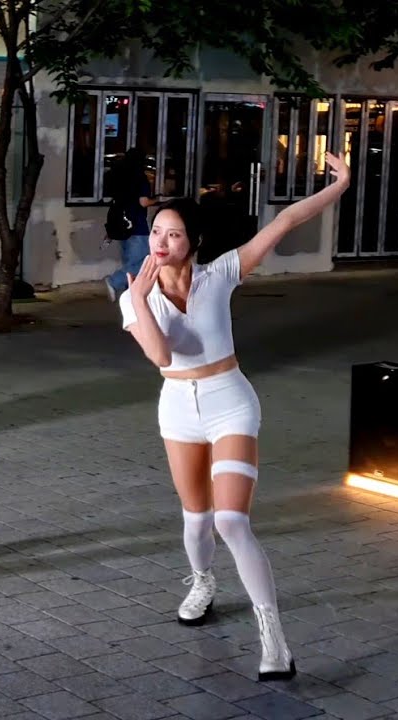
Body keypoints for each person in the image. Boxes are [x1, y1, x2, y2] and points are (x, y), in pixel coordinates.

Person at [118, 152, 351, 681]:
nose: (162, 241)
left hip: (229, 400)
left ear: (194, 242)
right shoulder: (135, 296)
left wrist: (340, 185)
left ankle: (274, 639)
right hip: (176, 406)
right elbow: (159, 356)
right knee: (196, 518)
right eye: (157, 231)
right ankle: (202, 581)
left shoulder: (221, 273)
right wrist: (137, 295)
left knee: (230, 520)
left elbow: (285, 221)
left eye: (175, 234)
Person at [106, 148, 158, 301]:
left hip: (122, 225)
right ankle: (115, 281)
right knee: (143, 262)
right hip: (137, 226)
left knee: (131, 262)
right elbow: (143, 202)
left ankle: (131, 293)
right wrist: (158, 200)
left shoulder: (120, 176)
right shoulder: (140, 178)